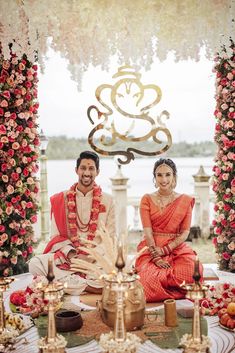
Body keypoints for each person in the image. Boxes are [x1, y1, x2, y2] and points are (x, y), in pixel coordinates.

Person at [29, 151, 116, 294]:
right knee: (35, 264)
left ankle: (69, 282)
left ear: (97, 172)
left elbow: (110, 238)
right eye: (83, 168)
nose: (87, 172)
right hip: (69, 258)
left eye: (91, 168)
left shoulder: (108, 200)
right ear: (77, 170)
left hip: (96, 259)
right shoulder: (61, 199)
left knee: (110, 271)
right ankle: (88, 286)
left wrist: (89, 257)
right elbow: (55, 236)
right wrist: (71, 256)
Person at [135, 158, 203, 302]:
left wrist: (166, 250)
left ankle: (167, 291)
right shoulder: (146, 199)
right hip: (152, 247)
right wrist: (156, 256)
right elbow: (147, 232)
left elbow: (185, 233)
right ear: (154, 177)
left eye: (167, 174)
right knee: (146, 279)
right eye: (159, 175)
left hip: (176, 247)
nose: (163, 179)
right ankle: (170, 292)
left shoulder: (185, 200)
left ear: (174, 176)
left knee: (192, 271)